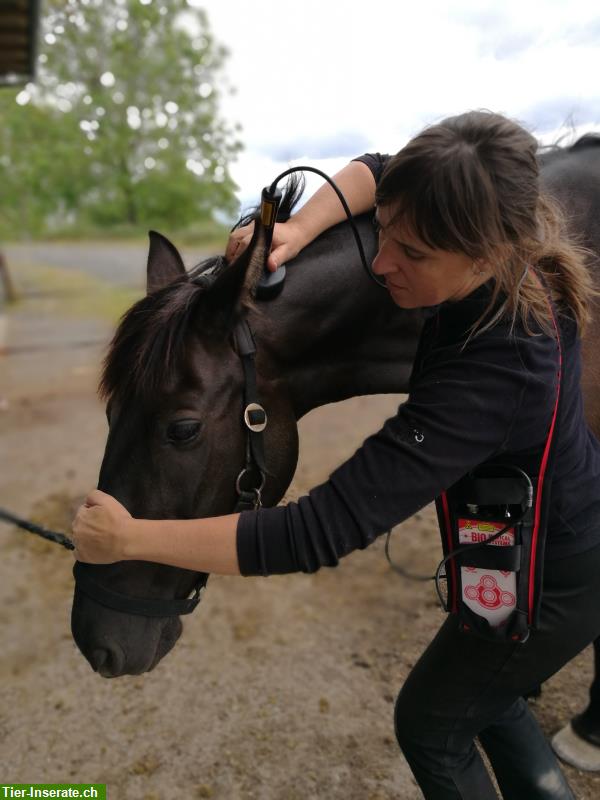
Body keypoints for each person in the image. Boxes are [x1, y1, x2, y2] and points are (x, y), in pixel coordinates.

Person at [72, 110, 600, 800]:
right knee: (491, 696)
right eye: (387, 234)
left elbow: (318, 530)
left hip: (553, 572)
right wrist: (296, 229)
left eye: (411, 254)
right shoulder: (495, 272)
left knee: (432, 723)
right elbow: (379, 171)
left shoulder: (498, 372)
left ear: (489, 254)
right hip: (505, 546)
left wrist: (134, 537)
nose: (382, 264)